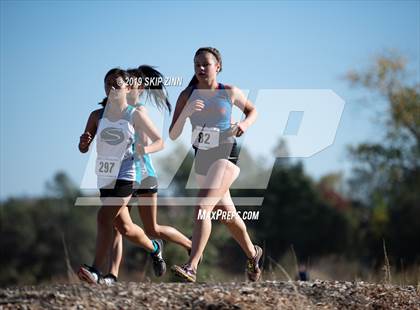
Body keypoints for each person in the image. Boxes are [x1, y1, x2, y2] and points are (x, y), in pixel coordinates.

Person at [169, 47, 262, 282]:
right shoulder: (187, 95)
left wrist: (244, 125)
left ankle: (191, 266)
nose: (200, 68)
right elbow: (173, 134)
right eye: (196, 64)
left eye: (205, 64)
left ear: (217, 66)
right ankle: (253, 254)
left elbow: (252, 111)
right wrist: (187, 111)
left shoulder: (229, 91)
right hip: (202, 159)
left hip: (225, 154)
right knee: (227, 215)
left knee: (202, 206)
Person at [101, 66, 192, 285]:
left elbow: (156, 142)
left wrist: (143, 149)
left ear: (140, 88)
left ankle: (191, 246)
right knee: (117, 225)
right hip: (123, 175)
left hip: (144, 175)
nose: (125, 88)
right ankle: (112, 275)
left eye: (130, 84)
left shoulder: (139, 111)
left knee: (152, 228)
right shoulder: (115, 110)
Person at [77, 68, 166, 284]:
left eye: (117, 84)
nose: (112, 88)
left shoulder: (134, 114)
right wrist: (84, 142)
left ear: (127, 88)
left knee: (103, 217)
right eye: (108, 84)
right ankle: (155, 248)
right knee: (124, 227)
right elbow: (83, 148)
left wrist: (144, 150)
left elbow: (159, 141)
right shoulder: (96, 115)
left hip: (127, 174)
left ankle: (97, 270)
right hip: (105, 175)